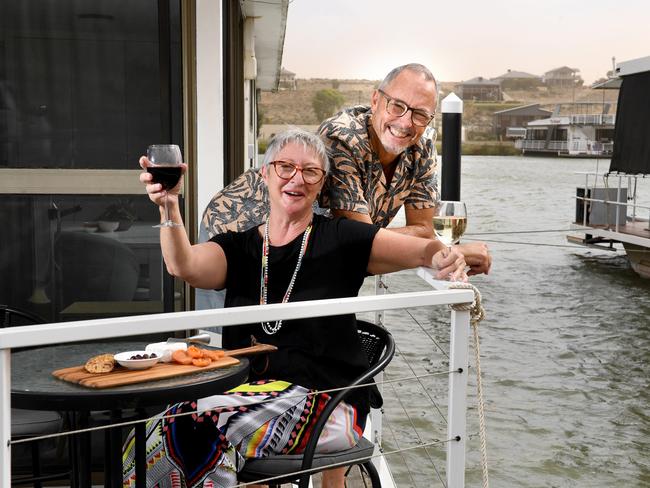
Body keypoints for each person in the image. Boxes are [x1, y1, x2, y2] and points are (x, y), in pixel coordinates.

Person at [124, 128, 467, 488]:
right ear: (265, 175)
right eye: (285, 167)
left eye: (310, 171)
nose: (296, 179)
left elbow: (421, 251)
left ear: (321, 183)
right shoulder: (239, 247)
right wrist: (169, 206)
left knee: (206, 428)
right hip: (249, 395)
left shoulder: (341, 238)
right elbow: (185, 265)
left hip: (326, 403)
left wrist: (442, 254)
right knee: (161, 424)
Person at [201, 63, 491, 276]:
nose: (405, 122)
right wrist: (448, 253)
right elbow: (360, 241)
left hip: (301, 250)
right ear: (375, 100)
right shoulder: (341, 138)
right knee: (226, 348)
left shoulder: (422, 146)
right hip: (237, 230)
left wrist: (403, 240)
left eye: (419, 114)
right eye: (397, 106)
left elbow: (427, 228)